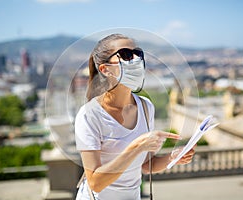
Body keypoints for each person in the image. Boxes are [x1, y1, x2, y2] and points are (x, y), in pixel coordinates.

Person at [75, 33, 195, 200]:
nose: (135, 60)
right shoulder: (89, 115)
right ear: (105, 69)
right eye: (125, 55)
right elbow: (95, 182)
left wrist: (172, 158)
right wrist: (137, 146)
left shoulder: (146, 107)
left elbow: (145, 165)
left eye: (138, 53)